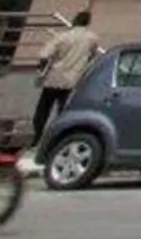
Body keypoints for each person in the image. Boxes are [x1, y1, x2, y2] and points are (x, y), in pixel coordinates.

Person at [33, 11, 101, 146]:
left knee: (43, 109)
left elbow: (45, 55)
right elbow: (92, 57)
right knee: (63, 111)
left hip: (55, 77)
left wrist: (40, 72)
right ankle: (57, 139)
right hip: (73, 79)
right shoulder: (92, 38)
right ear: (88, 22)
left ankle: (37, 137)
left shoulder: (63, 36)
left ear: (75, 20)